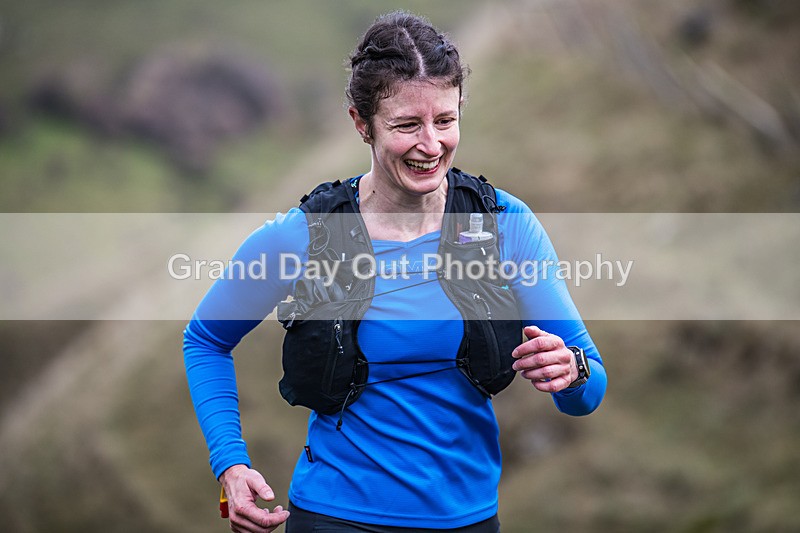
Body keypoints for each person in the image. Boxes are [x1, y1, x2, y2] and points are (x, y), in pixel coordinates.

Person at [183, 11, 607, 533]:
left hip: (469, 521)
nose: (431, 145)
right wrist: (231, 464)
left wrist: (571, 372)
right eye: (407, 124)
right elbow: (204, 339)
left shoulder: (505, 225)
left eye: (445, 121)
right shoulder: (303, 235)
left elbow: (589, 388)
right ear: (361, 123)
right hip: (334, 518)